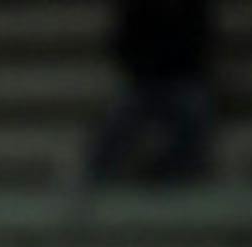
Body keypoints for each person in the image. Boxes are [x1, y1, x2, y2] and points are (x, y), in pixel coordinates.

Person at [87, 0, 216, 185]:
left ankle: (178, 171)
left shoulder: (192, 8)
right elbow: (121, 44)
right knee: (117, 118)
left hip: (183, 80)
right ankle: (98, 177)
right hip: (144, 82)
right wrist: (145, 67)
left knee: (196, 110)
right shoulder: (135, 8)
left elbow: (203, 43)